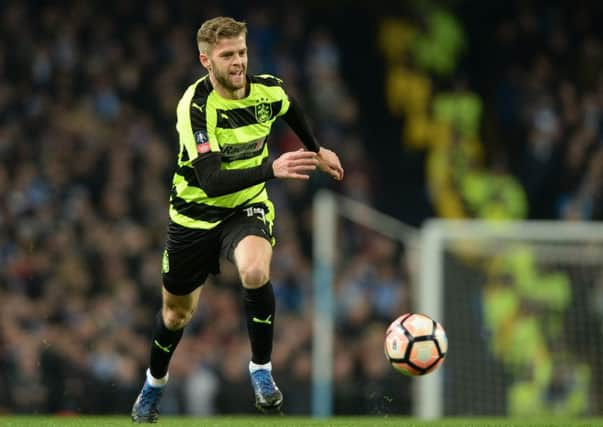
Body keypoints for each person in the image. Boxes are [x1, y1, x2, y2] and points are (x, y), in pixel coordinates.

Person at [131, 16, 344, 423]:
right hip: (194, 216)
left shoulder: (267, 89)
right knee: (176, 314)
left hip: (245, 208)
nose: (238, 62)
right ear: (206, 60)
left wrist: (317, 149)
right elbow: (210, 181)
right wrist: (272, 168)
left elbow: (291, 108)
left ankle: (261, 372)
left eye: (242, 52)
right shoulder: (195, 107)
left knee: (254, 270)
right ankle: (154, 384)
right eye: (227, 55)